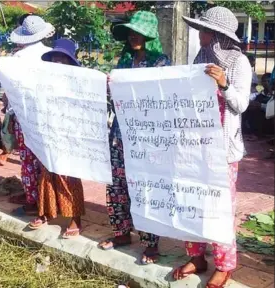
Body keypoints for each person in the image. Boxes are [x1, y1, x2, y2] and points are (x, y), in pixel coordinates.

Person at [173, 7, 251, 288]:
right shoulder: (201, 57)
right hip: (197, 146)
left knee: (220, 207)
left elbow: (242, 104)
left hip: (223, 150)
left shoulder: (239, 62)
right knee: (192, 200)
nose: (199, 34)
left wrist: (224, 83)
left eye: (203, 30)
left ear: (216, 34)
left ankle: (224, 265)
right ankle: (196, 256)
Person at [98, 11, 170, 266]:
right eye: (130, 32)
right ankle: (121, 233)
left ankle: (151, 244)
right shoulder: (124, 61)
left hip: (146, 139)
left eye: (137, 32)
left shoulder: (161, 63)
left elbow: (162, 99)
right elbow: (114, 98)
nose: (132, 36)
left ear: (149, 36)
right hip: (119, 134)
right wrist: (109, 85)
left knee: (145, 189)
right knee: (117, 185)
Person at [27, 38, 85, 239]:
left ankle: (74, 217)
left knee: (68, 174)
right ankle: (46, 212)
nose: (58, 62)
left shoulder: (79, 82)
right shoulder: (43, 80)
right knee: (46, 172)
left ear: (71, 61)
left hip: (69, 131)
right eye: (55, 58)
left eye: (63, 58)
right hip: (47, 130)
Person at [6, 15, 55, 215]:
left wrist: (10, 115)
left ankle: (32, 199)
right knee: (44, 159)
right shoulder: (51, 54)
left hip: (24, 116)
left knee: (27, 160)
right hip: (45, 116)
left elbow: (12, 91)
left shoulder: (18, 58)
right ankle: (48, 200)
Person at [243, 73, 274, 139]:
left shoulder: (273, 95)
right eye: (264, 81)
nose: (266, 83)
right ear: (261, 83)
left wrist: (261, 106)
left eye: (268, 81)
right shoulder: (259, 94)